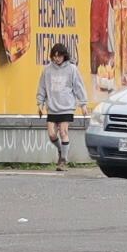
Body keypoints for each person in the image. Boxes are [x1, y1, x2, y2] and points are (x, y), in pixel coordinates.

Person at [37, 40, 88, 171]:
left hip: (66, 107)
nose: (56, 58)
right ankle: (61, 151)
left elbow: (78, 87)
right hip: (52, 107)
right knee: (52, 135)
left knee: (63, 132)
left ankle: (63, 161)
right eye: (54, 56)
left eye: (59, 56)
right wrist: (40, 103)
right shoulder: (47, 70)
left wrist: (83, 104)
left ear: (64, 55)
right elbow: (42, 88)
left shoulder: (72, 69)